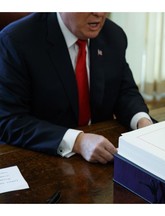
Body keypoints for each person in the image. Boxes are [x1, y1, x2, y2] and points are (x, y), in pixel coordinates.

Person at [0, 12, 153, 164]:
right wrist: (77, 141)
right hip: (41, 159)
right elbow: (9, 120)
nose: (99, 13)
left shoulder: (113, 35)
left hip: (102, 158)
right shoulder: (16, 40)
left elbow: (124, 91)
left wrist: (142, 122)